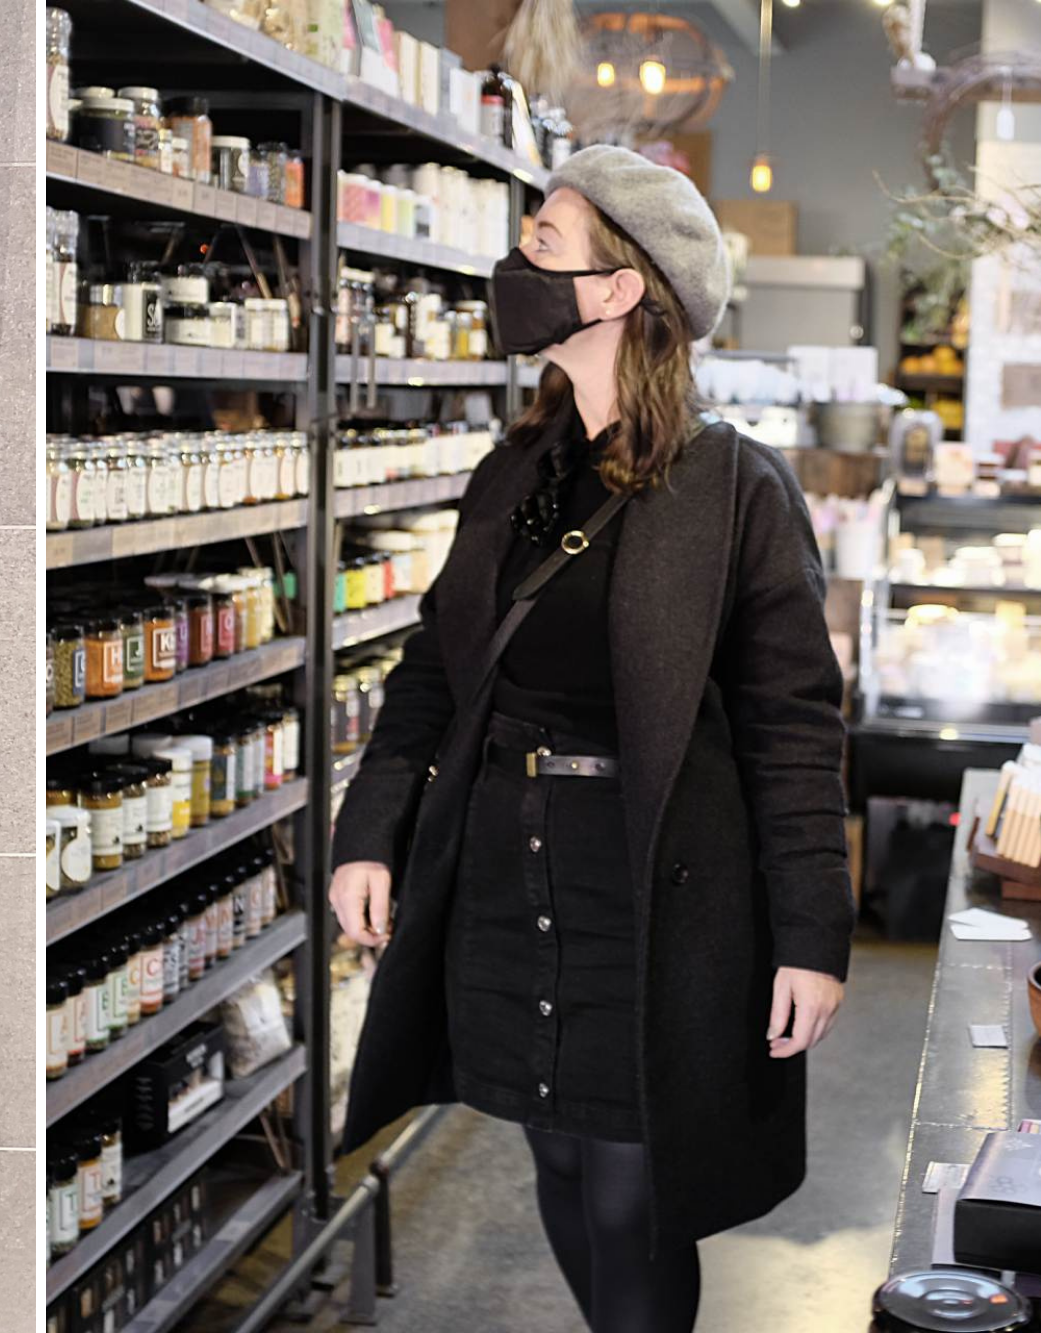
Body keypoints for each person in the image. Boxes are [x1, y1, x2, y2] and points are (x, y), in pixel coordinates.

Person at [327, 145, 853, 1333]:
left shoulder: (733, 490)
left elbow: (790, 728)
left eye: (543, 243)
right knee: (558, 1163)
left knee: (630, 1188)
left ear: (618, 289)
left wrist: (810, 935)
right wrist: (371, 834)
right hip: (511, 871)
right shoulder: (517, 468)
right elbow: (433, 670)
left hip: (652, 887)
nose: (514, 261)